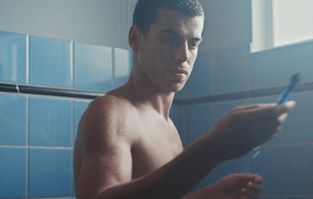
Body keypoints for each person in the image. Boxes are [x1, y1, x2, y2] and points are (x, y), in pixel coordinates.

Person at [73, 0, 295, 198]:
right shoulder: (113, 112)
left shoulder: (168, 126)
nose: (184, 55)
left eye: (194, 43)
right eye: (170, 39)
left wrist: (208, 195)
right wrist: (214, 147)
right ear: (135, 39)